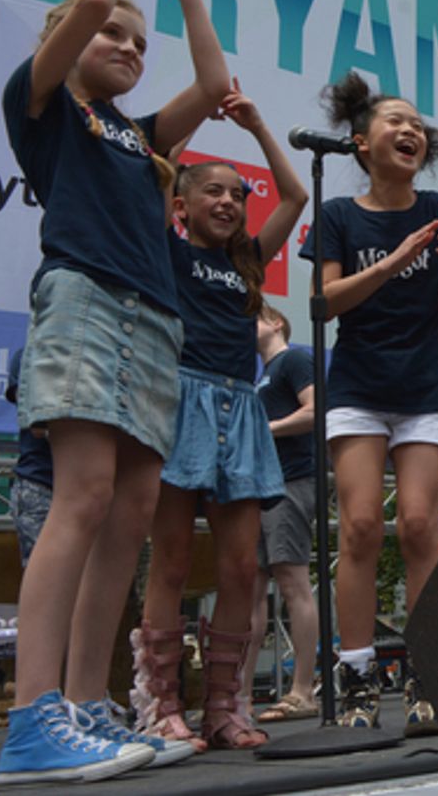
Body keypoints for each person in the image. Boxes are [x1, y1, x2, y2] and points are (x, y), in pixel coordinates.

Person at [0, 0, 229, 783]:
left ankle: (90, 705)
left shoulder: (142, 138)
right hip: (85, 299)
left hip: (154, 319)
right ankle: (31, 718)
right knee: (82, 496)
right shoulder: (44, 103)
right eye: (111, 35)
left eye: (139, 42)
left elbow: (213, 82)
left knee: (130, 513)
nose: (127, 46)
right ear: (64, 41)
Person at [301, 71, 438, 735]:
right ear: (361, 142)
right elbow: (325, 303)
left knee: (421, 526)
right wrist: (394, 258)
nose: (410, 130)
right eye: (394, 121)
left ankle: (429, 669)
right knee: (360, 528)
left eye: (416, 124)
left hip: (422, 388)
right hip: (358, 388)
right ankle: (355, 673)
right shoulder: (339, 215)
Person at [135, 80, 307, 751]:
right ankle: (159, 705)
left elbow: (294, 197)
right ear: (181, 205)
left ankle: (225, 706)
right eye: (215, 191)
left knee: (240, 567)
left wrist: (260, 125)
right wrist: (188, 128)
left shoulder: (248, 265)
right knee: (172, 559)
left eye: (238, 194)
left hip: (241, 405)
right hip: (182, 401)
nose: (231, 201)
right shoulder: (166, 251)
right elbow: (151, 171)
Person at [241, 304, 319, 722]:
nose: (246, 324)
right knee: (251, 589)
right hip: (261, 487)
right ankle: (240, 695)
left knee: (293, 582)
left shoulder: (294, 359)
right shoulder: (261, 378)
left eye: (254, 317)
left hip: (291, 482)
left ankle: (303, 689)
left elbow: (314, 410)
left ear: (276, 323)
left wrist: (265, 429)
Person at [5, 348, 53, 568]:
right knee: (49, 584)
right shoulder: (31, 353)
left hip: (94, 493)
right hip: (41, 487)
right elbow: (36, 423)